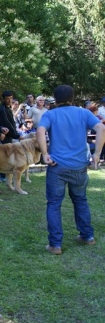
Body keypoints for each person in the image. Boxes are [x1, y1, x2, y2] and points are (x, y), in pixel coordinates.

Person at [38, 85, 105, 255]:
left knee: (54, 204)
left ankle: (55, 245)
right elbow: (101, 128)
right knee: (80, 200)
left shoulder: (51, 114)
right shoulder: (83, 113)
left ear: (56, 98)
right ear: (72, 98)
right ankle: (87, 236)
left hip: (57, 166)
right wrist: (96, 154)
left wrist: (45, 153)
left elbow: (40, 129)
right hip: (79, 166)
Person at [0, 91, 21, 182]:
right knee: (5, 156)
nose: (9, 100)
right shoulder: (2, 109)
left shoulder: (8, 108)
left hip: (10, 135)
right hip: (5, 135)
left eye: (11, 98)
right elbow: (7, 124)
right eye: (7, 98)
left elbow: (12, 123)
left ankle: (6, 176)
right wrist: (17, 135)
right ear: (3, 99)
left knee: (8, 156)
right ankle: (1, 175)